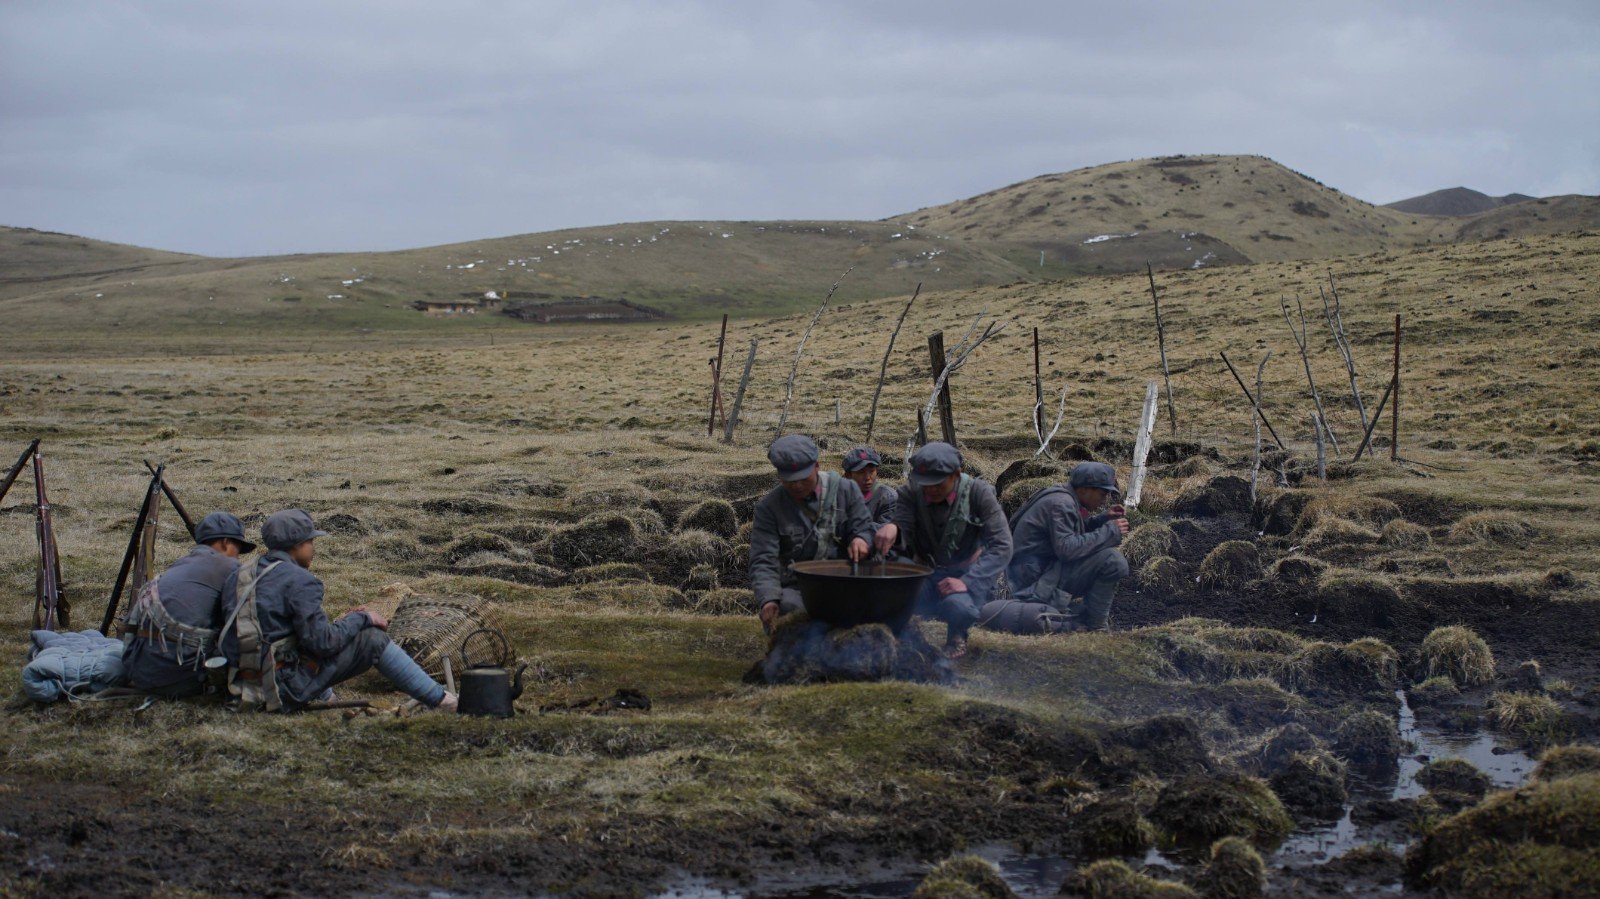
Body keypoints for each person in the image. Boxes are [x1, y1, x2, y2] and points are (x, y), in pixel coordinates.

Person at [220, 509, 456, 712]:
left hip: (237, 686)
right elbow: (323, 644)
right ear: (296, 545)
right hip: (277, 691)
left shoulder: (240, 573)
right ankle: (442, 701)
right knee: (372, 639)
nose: (313, 548)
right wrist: (363, 618)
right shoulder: (301, 581)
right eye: (310, 541)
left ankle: (328, 699)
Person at [892, 442, 1011, 658]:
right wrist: (892, 531)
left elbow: (1002, 545)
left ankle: (957, 638)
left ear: (957, 474)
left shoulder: (979, 494)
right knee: (897, 597)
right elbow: (903, 536)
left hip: (965, 574)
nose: (931, 490)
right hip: (925, 572)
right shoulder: (910, 494)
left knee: (958, 607)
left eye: (938, 484)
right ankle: (907, 639)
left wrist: (968, 582)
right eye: (926, 484)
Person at [983, 461, 1130, 634]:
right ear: (1084, 489)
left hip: (1038, 572)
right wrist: (1110, 531)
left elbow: (1070, 533)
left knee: (1109, 558)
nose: (1105, 499)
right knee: (1112, 561)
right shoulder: (1062, 504)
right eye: (1103, 493)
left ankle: (1084, 618)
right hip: (1032, 583)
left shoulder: (1063, 497)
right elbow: (1067, 549)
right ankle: (1095, 627)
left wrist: (1102, 519)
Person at [122, 511, 255, 698]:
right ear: (225, 542)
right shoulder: (230, 568)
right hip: (177, 677)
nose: (238, 557)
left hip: (139, 671)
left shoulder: (181, 564)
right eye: (238, 548)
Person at [750, 435, 875, 633]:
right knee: (791, 609)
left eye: (803, 479)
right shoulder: (769, 508)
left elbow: (864, 527)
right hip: (798, 587)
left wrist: (861, 539)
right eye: (790, 481)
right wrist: (768, 599)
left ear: (817, 466)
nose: (797, 486)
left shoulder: (846, 490)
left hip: (845, 581)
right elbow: (763, 559)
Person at [842, 446, 898, 554]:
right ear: (848, 475)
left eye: (871, 471)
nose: (868, 477)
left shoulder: (887, 497)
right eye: (861, 472)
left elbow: (884, 529)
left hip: (875, 554)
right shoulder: (838, 494)